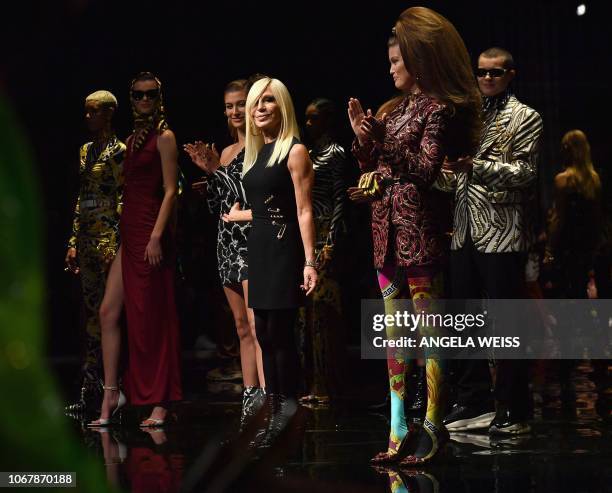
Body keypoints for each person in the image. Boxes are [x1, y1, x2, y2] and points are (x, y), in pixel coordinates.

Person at [348, 6, 481, 465]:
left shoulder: (437, 111)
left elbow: (424, 171)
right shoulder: (395, 111)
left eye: (396, 62)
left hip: (420, 235)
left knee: (428, 334)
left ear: (418, 62)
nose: (390, 69)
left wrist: (381, 144)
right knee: (394, 336)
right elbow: (378, 172)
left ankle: (433, 424)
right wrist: (364, 142)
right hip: (385, 234)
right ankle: (397, 425)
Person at [437, 47, 543, 435]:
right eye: (481, 73)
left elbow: (525, 173)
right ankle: (474, 401)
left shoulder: (526, 117)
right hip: (464, 229)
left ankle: (515, 409)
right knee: (462, 317)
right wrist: (441, 172)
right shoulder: (469, 119)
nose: (486, 79)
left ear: (511, 74)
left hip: (501, 231)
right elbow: (455, 180)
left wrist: (473, 166)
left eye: (494, 73)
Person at [223, 76, 317, 445]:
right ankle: (275, 413)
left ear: (282, 106)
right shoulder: (258, 152)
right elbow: (265, 208)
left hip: (282, 250)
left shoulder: (294, 150)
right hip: (259, 249)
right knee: (263, 334)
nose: (259, 108)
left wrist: (310, 262)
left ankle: (287, 414)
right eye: (255, 103)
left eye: (268, 102)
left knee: (279, 335)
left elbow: (304, 210)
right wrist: (239, 216)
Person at [89, 72, 182, 428]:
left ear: (160, 97)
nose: (144, 100)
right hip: (129, 235)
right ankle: (113, 392)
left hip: (150, 234)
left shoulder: (165, 138)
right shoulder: (130, 139)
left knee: (152, 318)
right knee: (108, 312)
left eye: (151, 94)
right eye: (138, 95)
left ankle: (161, 400)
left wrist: (157, 236)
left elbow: (171, 190)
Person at [184, 78, 266, 428]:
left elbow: (253, 199)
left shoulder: (264, 146)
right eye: (228, 106)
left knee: (256, 324)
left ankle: (268, 395)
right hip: (226, 243)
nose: (234, 111)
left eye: (239, 104)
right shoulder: (228, 152)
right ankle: (250, 396)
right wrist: (210, 182)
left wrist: (215, 171)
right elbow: (222, 205)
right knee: (239, 327)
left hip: (254, 241)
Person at [65, 90, 125, 414]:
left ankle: (116, 385)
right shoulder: (85, 151)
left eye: (93, 112)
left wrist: (115, 241)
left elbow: (122, 197)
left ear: (108, 113)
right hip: (88, 238)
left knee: (109, 313)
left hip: (108, 241)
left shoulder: (119, 152)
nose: (88, 118)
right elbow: (82, 196)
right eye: (86, 112)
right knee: (89, 315)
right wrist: (73, 242)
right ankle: (90, 388)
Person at [297, 98, 346, 404]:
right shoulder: (308, 153)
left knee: (325, 313)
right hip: (308, 232)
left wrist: (331, 242)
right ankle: (309, 380)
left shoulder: (336, 153)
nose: (309, 124)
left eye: (314, 119)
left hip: (327, 232)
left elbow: (341, 198)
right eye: (307, 118)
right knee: (306, 313)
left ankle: (327, 382)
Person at [546, 129, 602, 298]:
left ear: (567, 149)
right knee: (580, 293)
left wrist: (549, 250)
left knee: (565, 295)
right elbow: (597, 218)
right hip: (586, 248)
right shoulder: (594, 180)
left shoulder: (563, 179)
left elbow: (559, 219)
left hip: (567, 248)